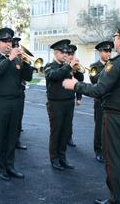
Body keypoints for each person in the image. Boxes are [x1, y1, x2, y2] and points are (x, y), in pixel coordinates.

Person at [63, 22, 120, 204]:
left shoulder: (116, 64)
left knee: (114, 158)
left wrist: (74, 85)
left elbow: (99, 90)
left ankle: (116, 198)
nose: (114, 41)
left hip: (115, 116)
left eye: (116, 38)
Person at [0, 28, 33, 181]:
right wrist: (9, 59)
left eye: (10, 41)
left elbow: (28, 77)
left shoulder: (18, 59)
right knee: (1, 136)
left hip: (17, 101)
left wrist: (26, 63)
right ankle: (1, 168)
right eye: (5, 42)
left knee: (13, 135)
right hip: (1, 102)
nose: (9, 44)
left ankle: (10, 165)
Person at [45, 39, 79, 171]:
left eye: (67, 52)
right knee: (56, 132)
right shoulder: (50, 66)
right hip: (56, 104)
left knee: (65, 132)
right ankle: (54, 159)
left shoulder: (68, 67)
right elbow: (54, 76)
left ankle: (63, 158)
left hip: (69, 102)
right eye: (63, 52)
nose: (66, 54)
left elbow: (80, 79)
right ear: (56, 53)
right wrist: (69, 66)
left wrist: (75, 68)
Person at [90, 41, 113, 163]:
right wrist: (107, 68)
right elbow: (95, 80)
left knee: (110, 128)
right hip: (100, 101)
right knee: (99, 127)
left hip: (112, 101)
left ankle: (107, 150)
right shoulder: (94, 66)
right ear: (100, 52)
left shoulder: (114, 64)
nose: (108, 53)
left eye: (109, 51)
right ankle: (98, 151)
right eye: (105, 51)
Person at [66, 44, 84, 148]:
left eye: (72, 53)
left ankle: (69, 138)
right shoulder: (62, 65)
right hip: (59, 98)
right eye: (69, 53)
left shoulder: (75, 66)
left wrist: (79, 98)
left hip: (70, 97)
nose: (71, 56)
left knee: (69, 120)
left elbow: (79, 82)